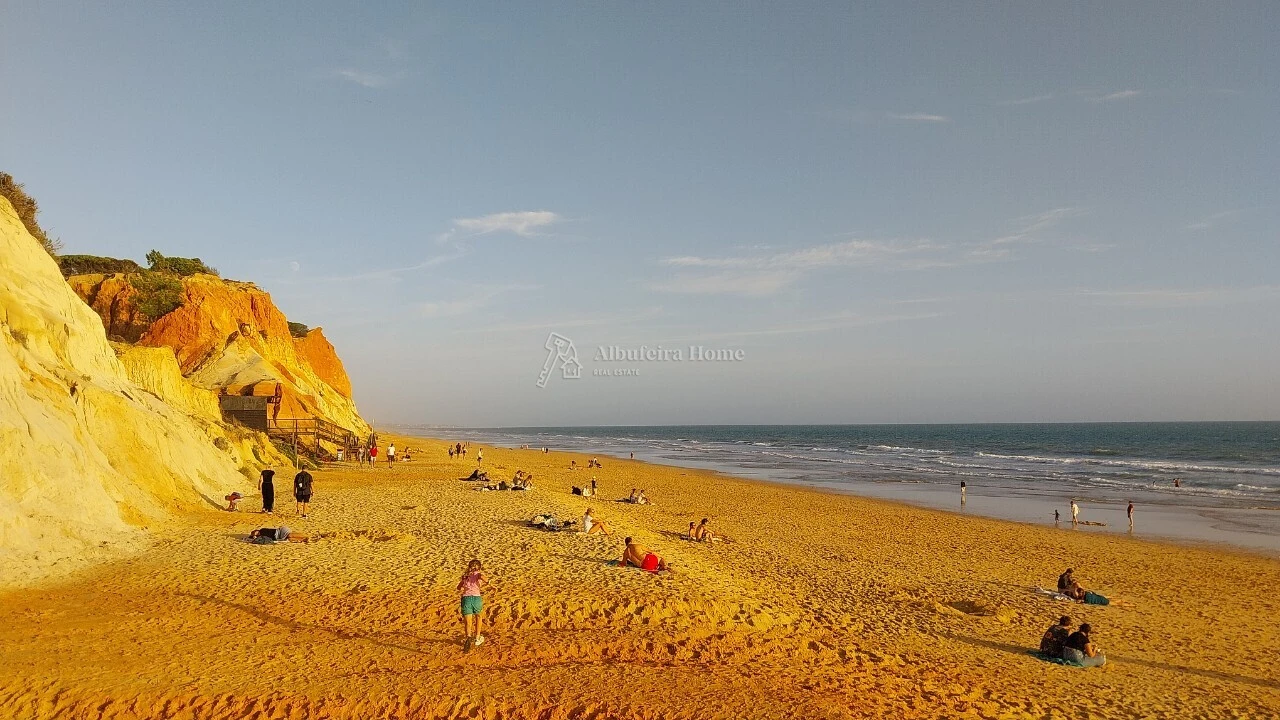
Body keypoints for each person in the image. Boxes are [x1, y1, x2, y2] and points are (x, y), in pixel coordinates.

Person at [457, 559, 486, 649]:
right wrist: (489, 583)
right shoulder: (479, 574)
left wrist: (465, 584)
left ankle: (468, 637)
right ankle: (477, 638)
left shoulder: (465, 576)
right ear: (479, 567)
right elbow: (483, 577)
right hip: (476, 598)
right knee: (478, 617)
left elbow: (458, 587)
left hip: (466, 598)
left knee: (468, 622)